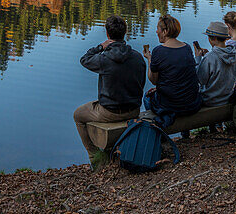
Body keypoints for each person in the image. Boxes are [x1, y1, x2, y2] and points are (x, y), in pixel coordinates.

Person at [73, 15, 146, 157]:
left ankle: (94, 156)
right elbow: (141, 84)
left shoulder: (104, 59)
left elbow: (84, 59)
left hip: (109, 112)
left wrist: (100, 47)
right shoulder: (138, 57)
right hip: (133, 110)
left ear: (107, 33)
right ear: (125, 32)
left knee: (78, 115)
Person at [142, 15, 202, 128]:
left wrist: (149, 59)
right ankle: (185, 135)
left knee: (147, 97)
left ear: (165, 31)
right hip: (191, 104)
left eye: (158, 29)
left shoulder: (159, 51)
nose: (156, 31)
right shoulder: (187, 48)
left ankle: (158, 129)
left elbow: (154, 80)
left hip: (171, 106)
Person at [194, 21, 236, 108]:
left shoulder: (210, 57)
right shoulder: (233, 55)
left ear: (212, 38)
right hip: (227, 99)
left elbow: (199, 80)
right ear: (225, 38)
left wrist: (198, 58)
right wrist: (207, 56)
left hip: (209, 101)